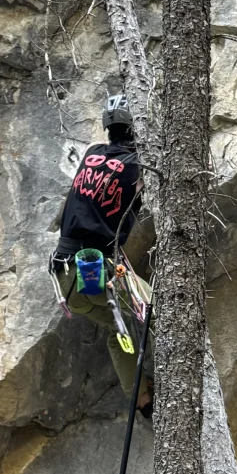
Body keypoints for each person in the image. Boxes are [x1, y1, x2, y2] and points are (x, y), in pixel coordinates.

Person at [49, 93, 153, 413]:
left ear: (109, 128)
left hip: (68, 279)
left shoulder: (92, 154)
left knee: (116, 326)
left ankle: (142, 401)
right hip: (100, 273)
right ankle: (171, 379)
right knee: (158, 311)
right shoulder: (141, 166)